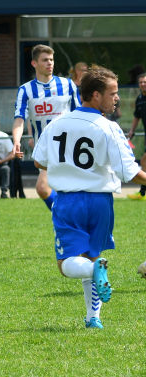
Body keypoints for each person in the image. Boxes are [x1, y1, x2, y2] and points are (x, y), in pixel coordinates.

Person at [32, 65, 146, 329]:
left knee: (67, 265)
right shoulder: (109, 127)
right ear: (95, 95)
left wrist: (66, 167)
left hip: (69, 202)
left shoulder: (58, 122)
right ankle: (93, 317)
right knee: (91, 258)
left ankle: (94, 293)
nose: (116, 98)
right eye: (112, 93)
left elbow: (39, 162)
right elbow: (128, 172)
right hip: (100, 203)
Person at [12, 44, 81, 210]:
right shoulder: (26, 90)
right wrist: (16, 141)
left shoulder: (68, 85)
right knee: (53, 189)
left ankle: (65, 217)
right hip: (43, 147)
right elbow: (19, 119)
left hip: (69, 145)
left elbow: (79, 114)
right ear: (34, 63)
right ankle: (67, 218)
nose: (50, 63)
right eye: (45, 60)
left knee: (44, 188)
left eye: (51, 59)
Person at [126, 73, 146, 200]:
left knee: (144, 160)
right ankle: (142, 193)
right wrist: (132, 130)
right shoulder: (139, 99)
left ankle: (142, 192)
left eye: (145, 82)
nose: (143, 84)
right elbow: (136, 116)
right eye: (141, 82)